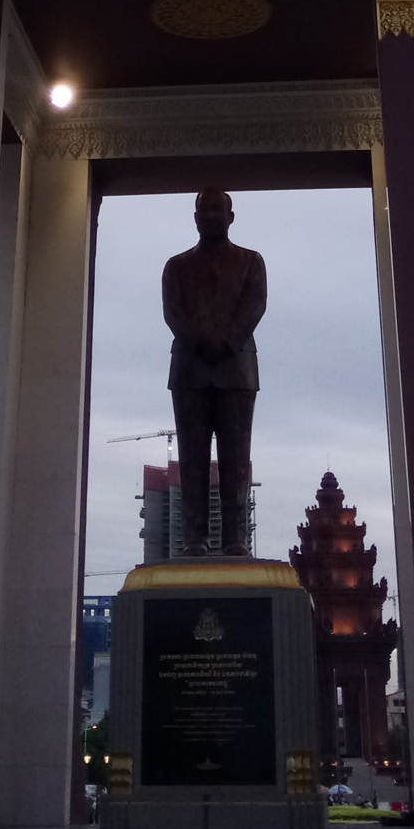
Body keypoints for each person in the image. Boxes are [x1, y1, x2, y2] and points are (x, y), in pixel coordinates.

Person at [162, 187, 266, 556]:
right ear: (195, 219)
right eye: (203, 211)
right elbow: (173, 313)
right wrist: (201, 341)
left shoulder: (251, 261)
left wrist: (226, 341)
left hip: (236, 369)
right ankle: (195, 537)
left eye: (217, 211)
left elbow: (255, 305)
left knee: (236, 455)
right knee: (192, 456)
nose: (210, 217)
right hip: (190, 369)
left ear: (230, 217)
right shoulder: (176, 266)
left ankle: (236, 537)